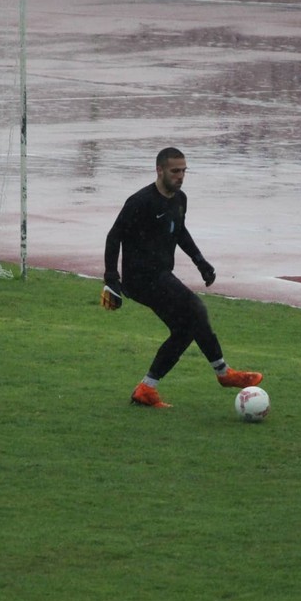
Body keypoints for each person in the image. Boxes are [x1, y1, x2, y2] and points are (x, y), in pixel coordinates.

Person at [101, 147, 263, 408]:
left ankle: (146, 389)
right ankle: (224, 373)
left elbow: (180, 231)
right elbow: (114, 236)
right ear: (160, 170)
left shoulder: (179, 199)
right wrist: (111, 279)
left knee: (185, 329)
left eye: (184, 171)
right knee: (195, 308)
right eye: (175, 171)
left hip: (161, 275)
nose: (180, 176)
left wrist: (201, 262)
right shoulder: (141, 201)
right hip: (140, 279)